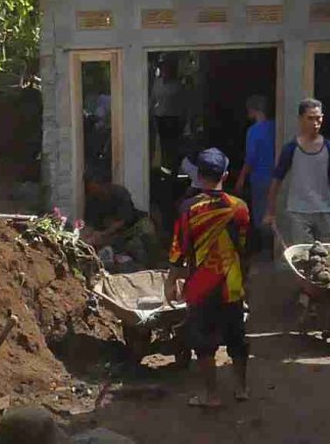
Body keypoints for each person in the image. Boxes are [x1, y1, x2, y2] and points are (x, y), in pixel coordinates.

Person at [165, 148, 250, 408]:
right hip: (231, 284)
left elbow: (178, 250)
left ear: (198, 175)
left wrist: (170, 281)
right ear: (225, 174)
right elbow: (244, 248)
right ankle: (241, 388)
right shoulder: (239, 208)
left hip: (201, 286)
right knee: (237, 337)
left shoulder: (188, 208)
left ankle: (210, 395)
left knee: (203, 342)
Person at [264, 98, 330, 244]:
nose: (315, 123)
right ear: (301, 119)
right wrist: (270, 210)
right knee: (304, 257)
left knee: (326, 258)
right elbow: (277, 179)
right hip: (299, 212)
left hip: (324, 211)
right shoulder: (291, 149)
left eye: (319, 118)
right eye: (310, 118)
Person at [83, 170, 162, 270]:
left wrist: (104, 233)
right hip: (111, 235)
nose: (91, 189)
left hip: (132, 227)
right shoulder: (92, 200)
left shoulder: (119, 193)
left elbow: (124, 219)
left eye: (93, 185)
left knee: (147, 231)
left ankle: (154, 266)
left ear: (102, 184)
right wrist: (88, 238)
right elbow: (90, 224)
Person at [234, 95, 276, 231]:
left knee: (260, 214)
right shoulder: (276, 126)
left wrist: (241, 179)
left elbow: (250, 158)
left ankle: (264, 248)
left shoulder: (253, 131)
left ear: (254, 111)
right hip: (276, 177)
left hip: (260, 177)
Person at [151, 57, 185, 170]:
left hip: (173, 119)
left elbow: (183, 104)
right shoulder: (157, 83)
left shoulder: (178, 85)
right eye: (164, 68)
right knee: (161, 145)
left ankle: (173, 168)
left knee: (172, 146)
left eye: (168, 68)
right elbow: (153, 99)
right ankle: (163, 167)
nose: (165, 70)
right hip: (159, 118)